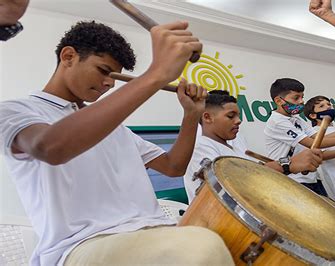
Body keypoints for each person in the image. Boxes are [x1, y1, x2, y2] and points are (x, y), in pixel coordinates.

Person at [0, 21, 235, 265]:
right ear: (68, 56)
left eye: (115, 76)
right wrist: (156, 74)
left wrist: (191, 115)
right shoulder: (15, 111)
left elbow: (173, 166)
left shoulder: (115, 128)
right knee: (200, 247)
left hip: (151, 232)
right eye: (104, 71)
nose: (110, 83)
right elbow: (49, 147)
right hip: (82, 245)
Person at [184, 90, 323, 202]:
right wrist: (287, 164)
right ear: (207, 117)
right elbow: (234, 182)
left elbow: (251, 170)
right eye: (231, 116)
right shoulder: (199, 147)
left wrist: (289, 165)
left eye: (238, 116)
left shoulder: (232, 146)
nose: (238, 121)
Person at [264, 78, 335, 197]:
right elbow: (312, 143)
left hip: (310, 177)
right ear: (279, 101)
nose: (301, 101)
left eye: (302, 97)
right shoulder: (277, 122)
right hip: (292, 179)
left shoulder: (297, 119)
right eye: (296, 98)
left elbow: (318, 137)